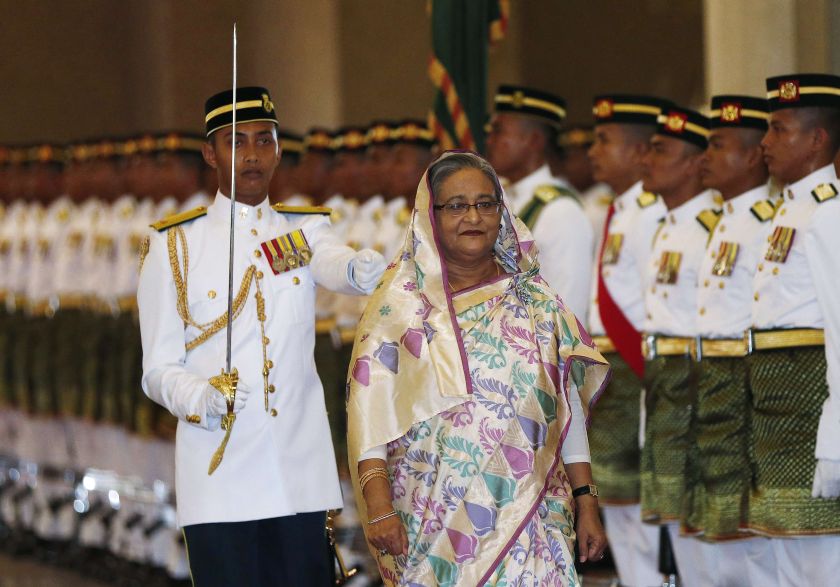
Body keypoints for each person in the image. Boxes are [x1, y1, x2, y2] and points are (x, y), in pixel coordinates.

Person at [137, 85, 387, 586]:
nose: (252, 155)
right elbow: (157, 369)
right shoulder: (175, 245)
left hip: (296, 473)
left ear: (278, 150)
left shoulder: (297, 233)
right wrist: (200, 396)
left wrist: (363, 270)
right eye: (236, 142)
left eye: (264, 140)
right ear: (210, 153)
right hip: (219, 472)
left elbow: (331, 262)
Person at [346, 151, 610, 586]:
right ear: (430, 215)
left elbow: (564, 410)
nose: (473, 216)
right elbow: (369, 418)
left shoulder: (535, 301)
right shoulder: (399, 308)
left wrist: (586, 498)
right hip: (432, 518)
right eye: (456, 205)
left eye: (485, 204)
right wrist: (378, 508)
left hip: (530, 510)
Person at [748, 73, 840, 586]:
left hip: (811, 403)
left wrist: (835, 439)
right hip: (774, 404)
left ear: (817, 140)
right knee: (784, 554)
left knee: (819, 558)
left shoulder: (829, 212)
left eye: (779, 129)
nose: (765, 142)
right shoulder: (787, 210)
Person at [586, 94, 669, 587]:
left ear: (640, 153)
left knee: (640, 513)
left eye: (604, 140)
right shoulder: (618, 210)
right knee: (617, 505)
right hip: (614, 375)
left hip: (638, 374)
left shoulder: (652, 213)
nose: (593, 151)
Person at [639, 105, 719, 586]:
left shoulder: (711, 228)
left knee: (705, 533)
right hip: (664, 389)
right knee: (674, 529)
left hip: (695, 393)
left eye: (660, 149)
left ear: (694, 163)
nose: (646, 159)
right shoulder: (666, 225)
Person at [486, 85, 593, 318]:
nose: (490, 140)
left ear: (533, 141)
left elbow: (567, 307)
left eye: (499, 132)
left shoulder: (559, 211)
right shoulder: (500, 198)